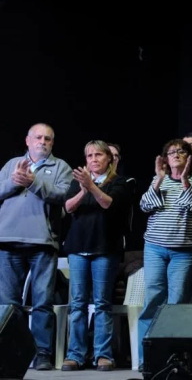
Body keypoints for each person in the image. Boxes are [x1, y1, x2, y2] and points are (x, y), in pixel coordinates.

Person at [0, 123, 72, 370]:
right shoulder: (12, 164)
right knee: (8, 303)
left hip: (43, 242)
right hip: (7, 240)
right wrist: (15, 182)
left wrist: (33, 182)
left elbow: (63, 196)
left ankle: (42, 352)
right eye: (38, 137)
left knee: (42, 301)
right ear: (28, 141)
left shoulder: (60, 167)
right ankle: (12, 353)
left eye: (48, 139)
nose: (43, 142)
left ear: (52, 143)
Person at [137, 139, 192, 370]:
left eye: (181, 151)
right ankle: (147, 360)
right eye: (171, 152)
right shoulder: (158, 180)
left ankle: (173, 360)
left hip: (184, 252)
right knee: (153, 302)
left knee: (177, 306)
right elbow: (145, 206)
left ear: (189, 157)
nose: (176, 155)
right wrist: (158, 179)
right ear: (165, 159)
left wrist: (185, 180)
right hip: (155, 249)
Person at [62, 140, 131, 371]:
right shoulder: (78, 182)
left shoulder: (118, 182)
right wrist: (83, 190)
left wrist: (91, 186)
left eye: (98, 155)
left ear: (109, 158)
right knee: (78, 303)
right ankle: (76, 354)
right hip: (78, 249)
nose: (93, 159)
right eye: (89, 156)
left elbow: (107, 203)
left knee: (102, 303)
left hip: (105, 249)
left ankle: (103, 355)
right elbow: (68, 207)